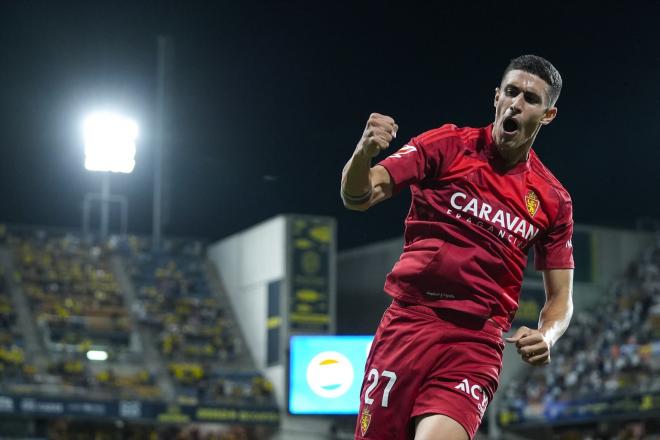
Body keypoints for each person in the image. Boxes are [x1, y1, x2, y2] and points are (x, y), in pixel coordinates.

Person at [340, 55, 574, 440]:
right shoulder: (448, 146)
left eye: (531, 99)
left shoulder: (552, 199)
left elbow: (561, 297)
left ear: (547, 115)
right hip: (409, 324)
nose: (517, 103)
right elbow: (359, 196)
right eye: (511, 92)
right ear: (496, 97)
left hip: (475, 341)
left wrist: (547, 334)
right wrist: (364, 153)